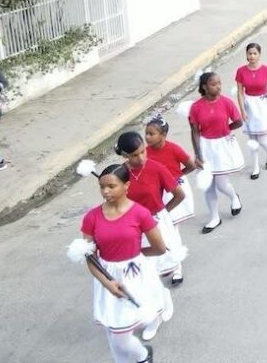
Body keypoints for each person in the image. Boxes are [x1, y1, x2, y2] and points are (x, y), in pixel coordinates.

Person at [77, 164, 170, 363]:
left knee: (120, 337)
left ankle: (144, 356)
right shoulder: (91, 218)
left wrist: (135, 255)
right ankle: (143, 357)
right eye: (102, 187)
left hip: (135, 275)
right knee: (115, 335)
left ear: (126, 185)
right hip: (107, 276)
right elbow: (90, 257)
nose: (105, 191)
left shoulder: (140, 213)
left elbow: (160, 248)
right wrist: (107, 283)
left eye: (111, 186)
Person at [114, 131, 186, 285]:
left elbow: (179, 195)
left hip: (156, 222)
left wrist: (162, 212)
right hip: (133, 227)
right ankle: (160, 306)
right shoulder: (119, 175)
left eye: (143, 151)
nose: (141, 158)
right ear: (125, 155)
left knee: (164, 266)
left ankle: (171, 283)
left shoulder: (156, 167)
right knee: (146, 272)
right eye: (134, 155)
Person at [188, 71, 244, 234]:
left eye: (219, 83)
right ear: (204, 87)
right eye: (213, 84)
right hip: (206, 146)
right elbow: (195, 132)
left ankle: (234, 197)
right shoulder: (196, 107)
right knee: (208, 185)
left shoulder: (227, 102)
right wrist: (198, 154)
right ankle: (214, 217)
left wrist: (226, 130)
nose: (218, 86)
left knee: (221, 183)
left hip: (222, 146)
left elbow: (238, 121)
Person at [145, 117, 197, 245]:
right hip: (157, 191)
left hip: (173, 190)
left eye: (151, 134)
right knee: (163, 225)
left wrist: (177, 176)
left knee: (171, 223)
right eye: (146, 134)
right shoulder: (145, 153)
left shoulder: (174, 149)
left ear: (163, 134)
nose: (147, 137)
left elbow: (191, 165)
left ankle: (175, 251)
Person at [235, 43, 267, 178]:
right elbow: (240, 92)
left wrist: (265, 93)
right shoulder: (241, 71)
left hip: (261, 106)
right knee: (252, 139)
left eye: (255, 53)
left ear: (259, 55)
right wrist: (242, 110)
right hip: (249, 105)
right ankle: (255, 167)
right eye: (249, 53)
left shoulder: (266, 70)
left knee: (261, 138)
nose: (252, 56)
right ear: (246, 55)